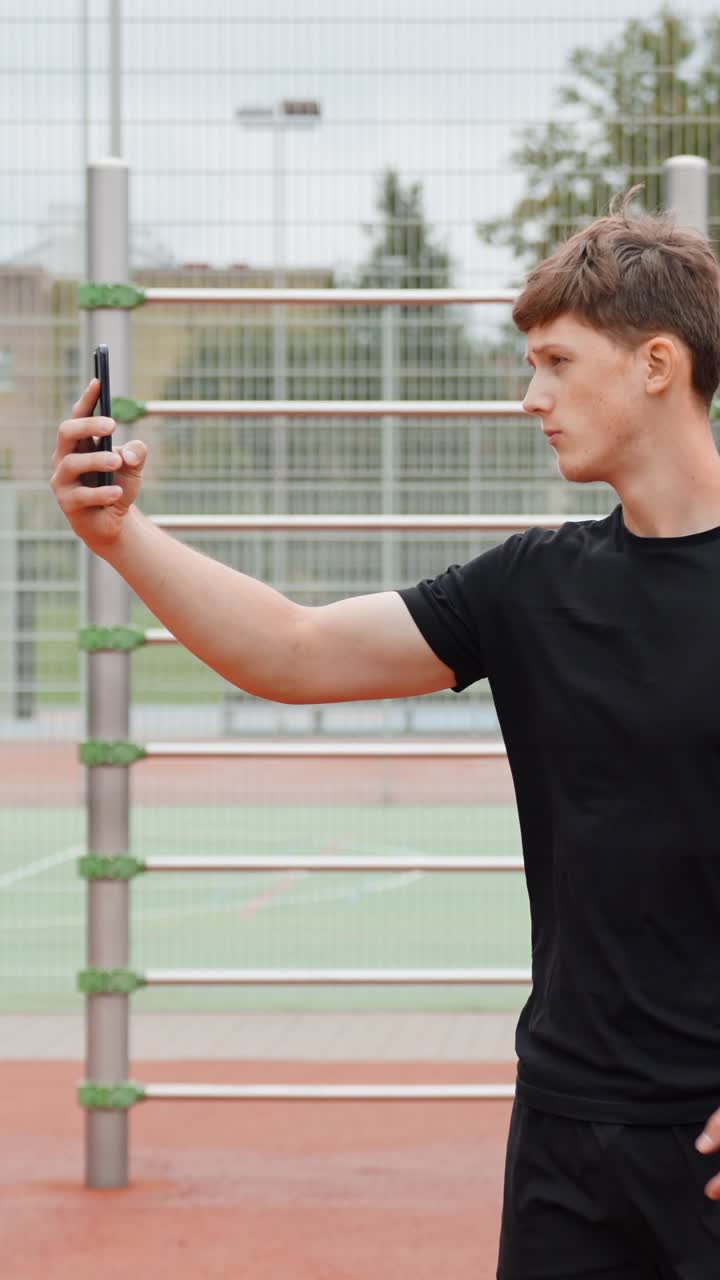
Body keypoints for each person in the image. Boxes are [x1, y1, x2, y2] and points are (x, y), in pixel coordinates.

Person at [51, 187, 720, 1278]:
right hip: (564, 1122)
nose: (529, 394)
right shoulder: (532, 583)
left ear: (656, 363)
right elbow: (295, 649)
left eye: (556, 362)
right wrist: (120, 534)